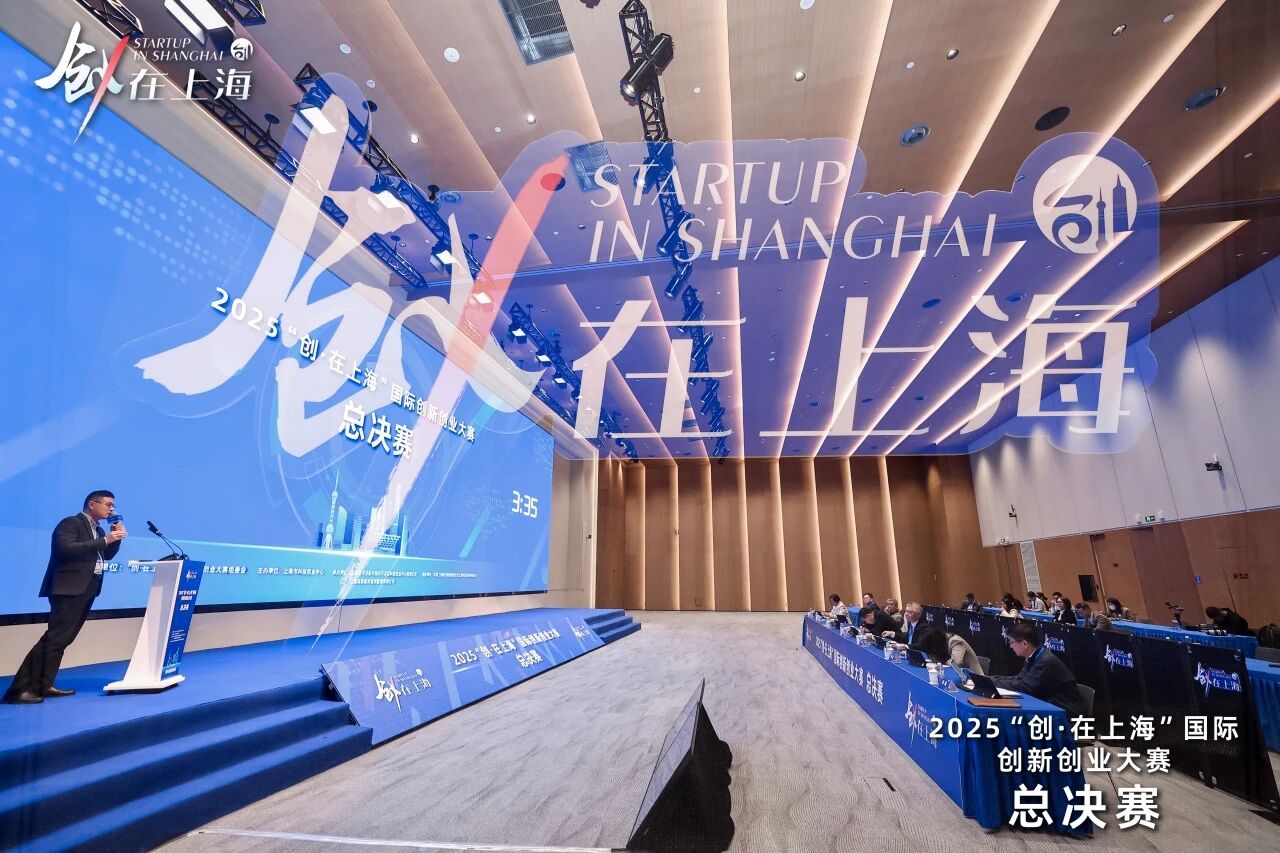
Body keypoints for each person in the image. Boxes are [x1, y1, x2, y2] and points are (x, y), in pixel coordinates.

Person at [4, 491, 127, 704]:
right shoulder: (71, 523)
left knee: (63, 640)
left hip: (88, 588)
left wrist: (114, 539)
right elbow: (66, 549)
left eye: (113, 506)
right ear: (92, 504)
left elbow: (105, 555)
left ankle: (44, 685)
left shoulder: (98, 529)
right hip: (67, 589)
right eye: (108, 504)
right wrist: (105, 539)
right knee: (54, 639)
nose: (112, 510)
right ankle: (18, 690)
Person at [991, 623, 1084, 718]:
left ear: (1024, 643)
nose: (1011, 646)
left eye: (1011, 642)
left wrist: (992, 682)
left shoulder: (1045, 660)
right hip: (1049, 703)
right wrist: (993, 679)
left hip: (1065, 710)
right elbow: (1019, 679)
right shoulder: (1033, 655)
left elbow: (1024, 686)